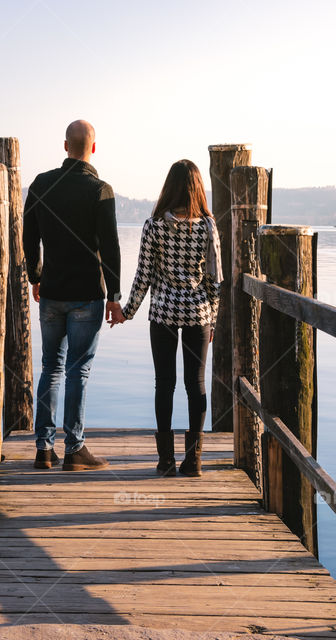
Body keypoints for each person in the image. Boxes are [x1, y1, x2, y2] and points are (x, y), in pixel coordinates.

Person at [23, 120, 123, 471]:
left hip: (51, 292)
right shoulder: (100, 190)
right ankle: (75, 450)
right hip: (87, 295)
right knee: (77, 371)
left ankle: (43, 449)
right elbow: (110, 247)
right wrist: (114, 295)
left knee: (51, 367)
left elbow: (28, 235)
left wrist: (35, 275)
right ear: (93, 148)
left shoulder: (40, 184)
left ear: (66, 146)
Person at [115, 159, 222, 477]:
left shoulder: (153, 225)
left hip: (162, 312)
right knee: (196, 385)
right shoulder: (207, 226)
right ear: (198, 188)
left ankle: (165, 461)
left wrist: (126, 311)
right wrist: (212, 317)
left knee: (164, 384)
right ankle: (194, 461)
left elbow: (143, 276)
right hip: (197, 313)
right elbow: (215, 279)